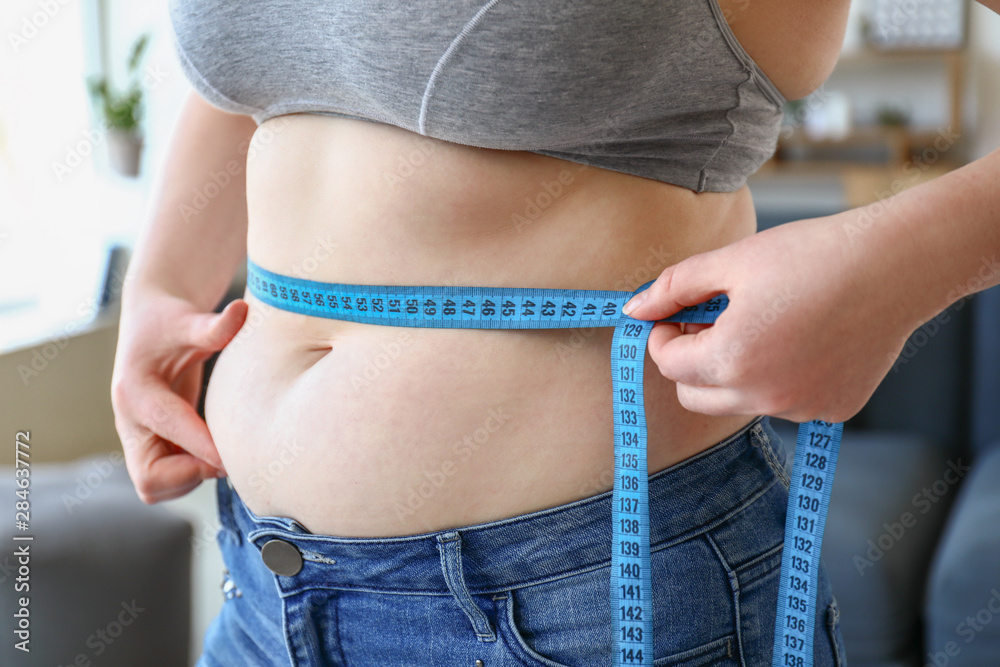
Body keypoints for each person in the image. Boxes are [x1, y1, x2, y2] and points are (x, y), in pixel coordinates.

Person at [110, 1, 1000, 665]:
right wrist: (161, 285)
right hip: (261, 591)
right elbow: (280, 65)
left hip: (586, 602)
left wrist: (890, 272)